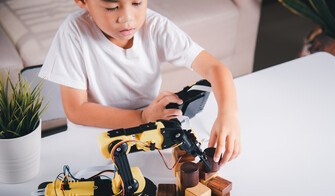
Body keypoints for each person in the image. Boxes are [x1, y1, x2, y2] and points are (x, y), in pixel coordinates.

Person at [39, 0, 241, 166]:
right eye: (112, 7)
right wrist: (142, 116)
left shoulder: (155, 26)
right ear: (83, 2)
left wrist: (228, 115)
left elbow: (216, 69)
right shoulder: (73, 31)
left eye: (137, 3)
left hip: (146, 134)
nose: (127, 18)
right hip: (92, 140)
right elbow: (76, 110)